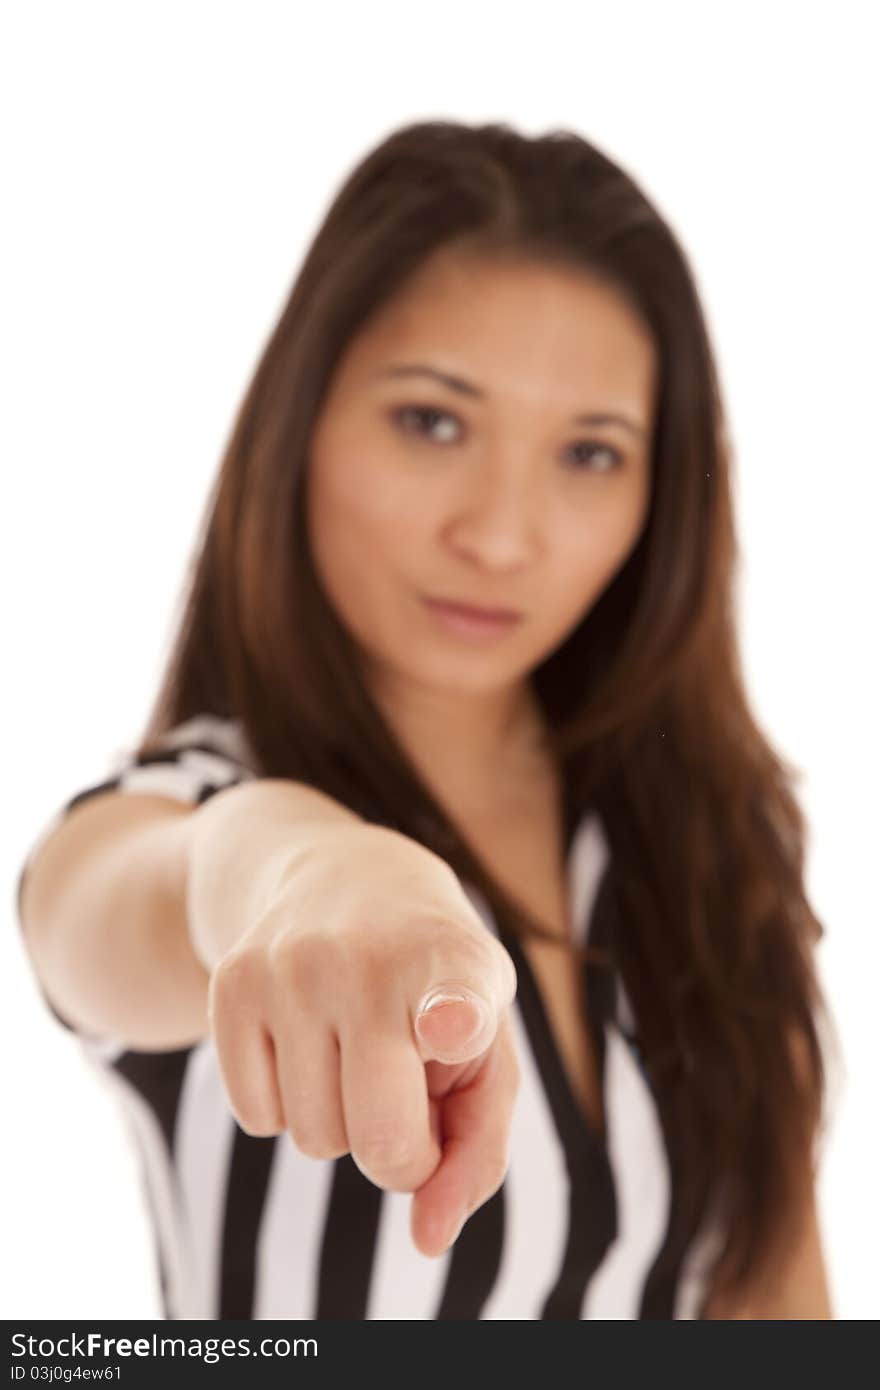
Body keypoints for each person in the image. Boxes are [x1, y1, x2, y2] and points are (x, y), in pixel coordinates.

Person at [15, 118, 838, 1320]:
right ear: (299, 426)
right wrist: (312, 877)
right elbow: (130, 898)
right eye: (433, 422)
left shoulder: (705, 844)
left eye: (591, 454)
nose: (502, 534)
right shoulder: (192, 806)